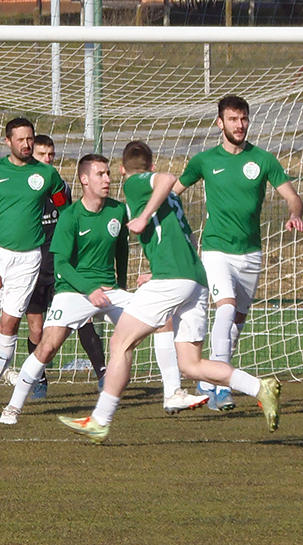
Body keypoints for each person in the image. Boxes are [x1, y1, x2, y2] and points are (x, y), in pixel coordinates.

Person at [58, 141, 281, 444]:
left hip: (175, 279)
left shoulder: (137, 185)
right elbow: (186, 236)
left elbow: (167, 179)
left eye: (113, 172)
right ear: (149, 163)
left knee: (120, 342)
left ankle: (100, 419)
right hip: (195, 279)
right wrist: (161, 268)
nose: (110, 179)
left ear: (124, 170)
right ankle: (259, 387)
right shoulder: (172, 203)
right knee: (191, 364)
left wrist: (142, 217)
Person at [172, 95, 303, 411]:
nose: (239, 125)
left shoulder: (263, 160)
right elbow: (173, 195)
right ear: (220, 123)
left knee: (235, 325)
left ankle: (209, 382)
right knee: (226, 310)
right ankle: (222, 390)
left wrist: (294, 213)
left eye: (243, 118)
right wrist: (178, 232)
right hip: (216, 249)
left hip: (251, 254)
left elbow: (292, 197)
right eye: (233, 119)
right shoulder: (204, 160)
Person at [0, 154, 136, 424]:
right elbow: (61, 264)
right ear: (84, 180)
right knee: (48, 347)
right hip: (73, 290)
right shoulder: (70, 216)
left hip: (109, 291)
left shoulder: (118, 211)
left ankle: (173, 391)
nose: (108, 179)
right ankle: (12, 407)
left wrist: (120, 285)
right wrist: (89, 289)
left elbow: (121, 249)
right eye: (100, 174)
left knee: (158, 321)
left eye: (108, 173)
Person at [0, 118, 69, 409]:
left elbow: (65, 207)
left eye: (30, 139)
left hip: (29, 258)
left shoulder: (46, 174)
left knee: (9, 324)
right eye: (21, 140)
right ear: (8, 142)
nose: (26, 144)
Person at [24, 135, 107, 398]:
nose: (48, 160)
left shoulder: (60, 189)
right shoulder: (24, 191)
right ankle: (39, 379)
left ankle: (104, 374)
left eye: (51, 155)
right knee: (37, 328)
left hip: (62, 266)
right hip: (33, 267)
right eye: (41, 155)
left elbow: (69, 221)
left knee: (83, 322)